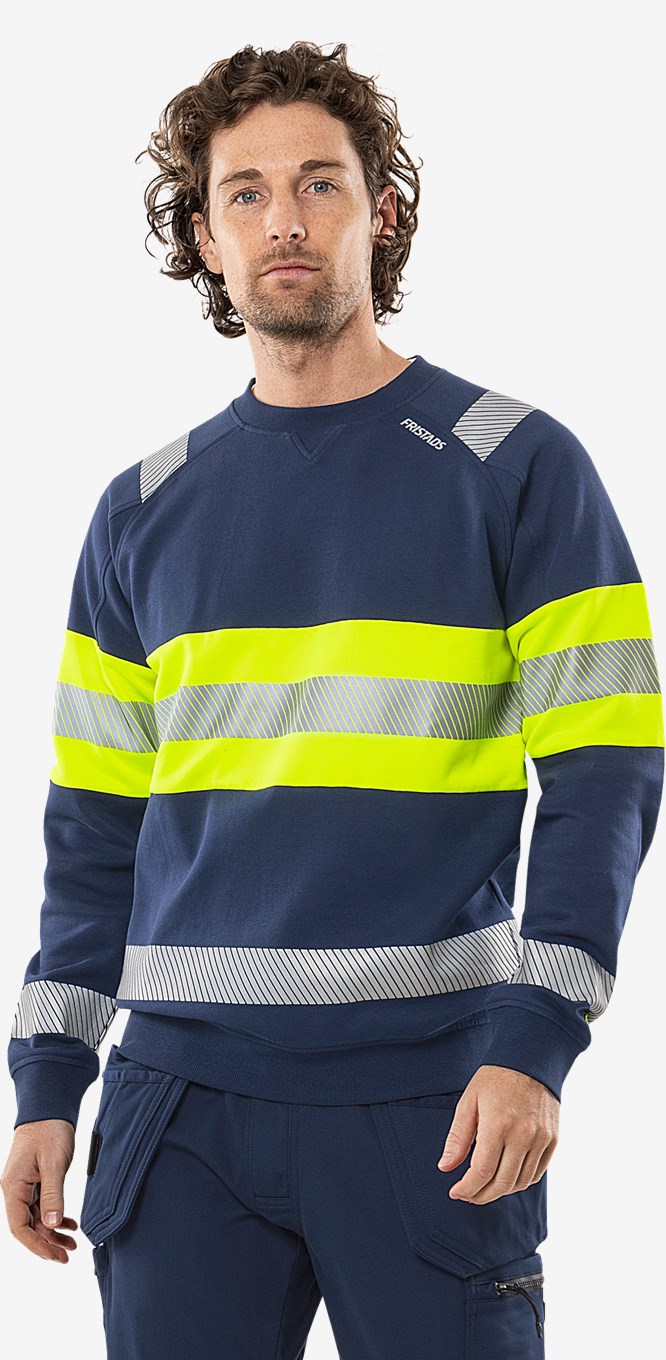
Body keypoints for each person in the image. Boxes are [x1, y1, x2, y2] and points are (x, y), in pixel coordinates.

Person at [2, 39, 663, 1359]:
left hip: (435, 1098)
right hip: (178, 1107)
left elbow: (607, 771)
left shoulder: (515, 464)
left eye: (319, 184)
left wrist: (536, 1039)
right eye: (243, 193)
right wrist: (47, 1080)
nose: (284, 221)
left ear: (383, 211)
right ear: (203, 236)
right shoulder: (139, 508)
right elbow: (95, 826)